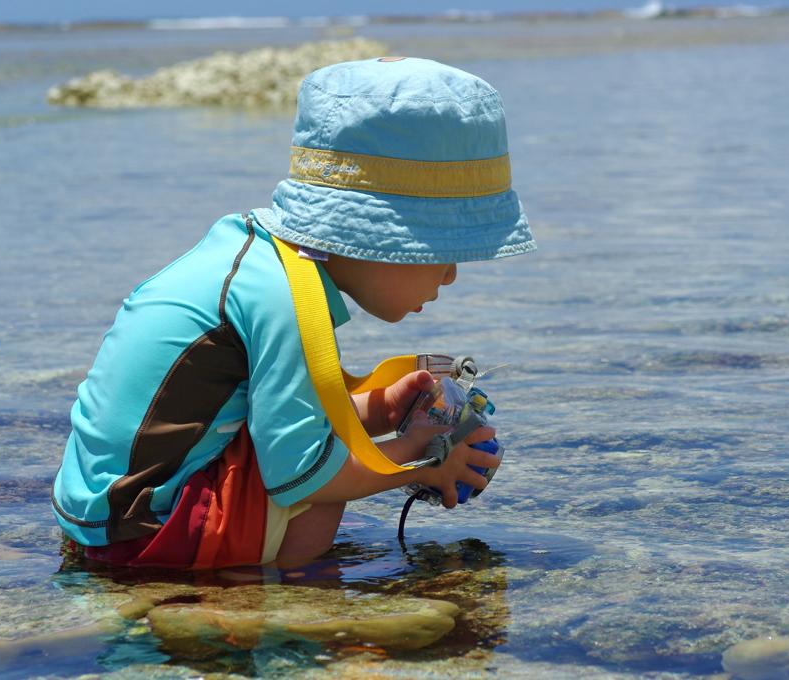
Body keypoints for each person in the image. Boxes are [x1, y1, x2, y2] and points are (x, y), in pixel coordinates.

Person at [51, 56, 536, 570]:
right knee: (318, 492)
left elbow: (278, 414)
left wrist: (382, 410)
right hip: (140, 535)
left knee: (312, 442)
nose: (450, 275)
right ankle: (288, 600)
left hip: (101, 511)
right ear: (381, 236)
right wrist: (421, 460)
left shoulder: (264, 260)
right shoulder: (286, 301)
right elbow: (304, 474)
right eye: (443, 251)